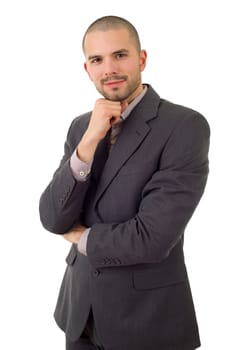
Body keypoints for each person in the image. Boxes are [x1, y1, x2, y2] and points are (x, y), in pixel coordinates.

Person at [39, 15, 210, 350]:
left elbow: (152, 237)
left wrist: (82, 237)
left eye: (120, 55)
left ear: (141, 59)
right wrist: (88, 143)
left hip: (147, 322)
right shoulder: (81, 127)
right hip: (80, 313)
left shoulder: (184, 126)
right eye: (97, 60)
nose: (109, 69)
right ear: (87, 68)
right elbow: (52, 217)